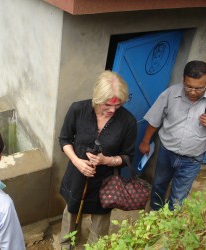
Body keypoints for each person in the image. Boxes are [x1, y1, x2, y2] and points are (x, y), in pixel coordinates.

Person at [139, 60, 206, 211]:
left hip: (192, 159)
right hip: (166, 153)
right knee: (159, 185)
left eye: (199, 88)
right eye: (189, 86)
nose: (193, 92)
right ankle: (154, 213)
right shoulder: (170, 93)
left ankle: (170, 222)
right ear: (183, 79)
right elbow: (154, 120)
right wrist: (145, 142)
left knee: (179, 196)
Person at [59, 70, 137, 248]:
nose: (112, 110)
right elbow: (64, 140)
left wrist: (106, 161)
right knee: (71, 213)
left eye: (118, 106)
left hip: (105, 182)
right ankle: (67, 245)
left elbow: (127, 157)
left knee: (100, 222)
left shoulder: (128, 121)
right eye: (107, 105)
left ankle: (96, 246)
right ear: (96, 98)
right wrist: (77, 161)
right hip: (77, 175)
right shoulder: (78, 109)